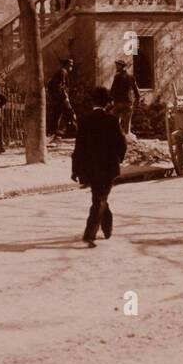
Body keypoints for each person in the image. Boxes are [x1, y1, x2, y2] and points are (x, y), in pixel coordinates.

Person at [71, 86, 128, 246]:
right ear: (107, 103)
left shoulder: (84, 120)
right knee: (100, 199)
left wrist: (75, 169)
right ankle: (90, 234)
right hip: (108, 167)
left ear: (93, 102)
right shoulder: (112, 120)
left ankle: (107, 228)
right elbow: (121, 144)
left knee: (99, 198)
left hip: (90, 168)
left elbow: (79, 147)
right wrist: (119, 158)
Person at [47, 58, 77, 141]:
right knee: (70, 113)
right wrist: (65, 97)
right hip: (60, 98)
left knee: (57, 115)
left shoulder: (62, 72)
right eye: (70, 65)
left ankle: (53, 133)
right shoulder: (62, 72)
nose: (71, 67)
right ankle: (72, 132)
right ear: (66, 65)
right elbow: (61, 87)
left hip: (58, 98)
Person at [108, 59, 140, 136]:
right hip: (127, 102)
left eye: (117, 66)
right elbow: (136, 90)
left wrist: (110, 100)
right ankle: (126, 137)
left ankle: (117, 137)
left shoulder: (117, 77)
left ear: (122, 67)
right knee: (127, 122)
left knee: (115, 121)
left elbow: (112, 90)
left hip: (118, 102)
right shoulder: (131, 77)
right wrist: (137, 100)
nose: (116, 67)